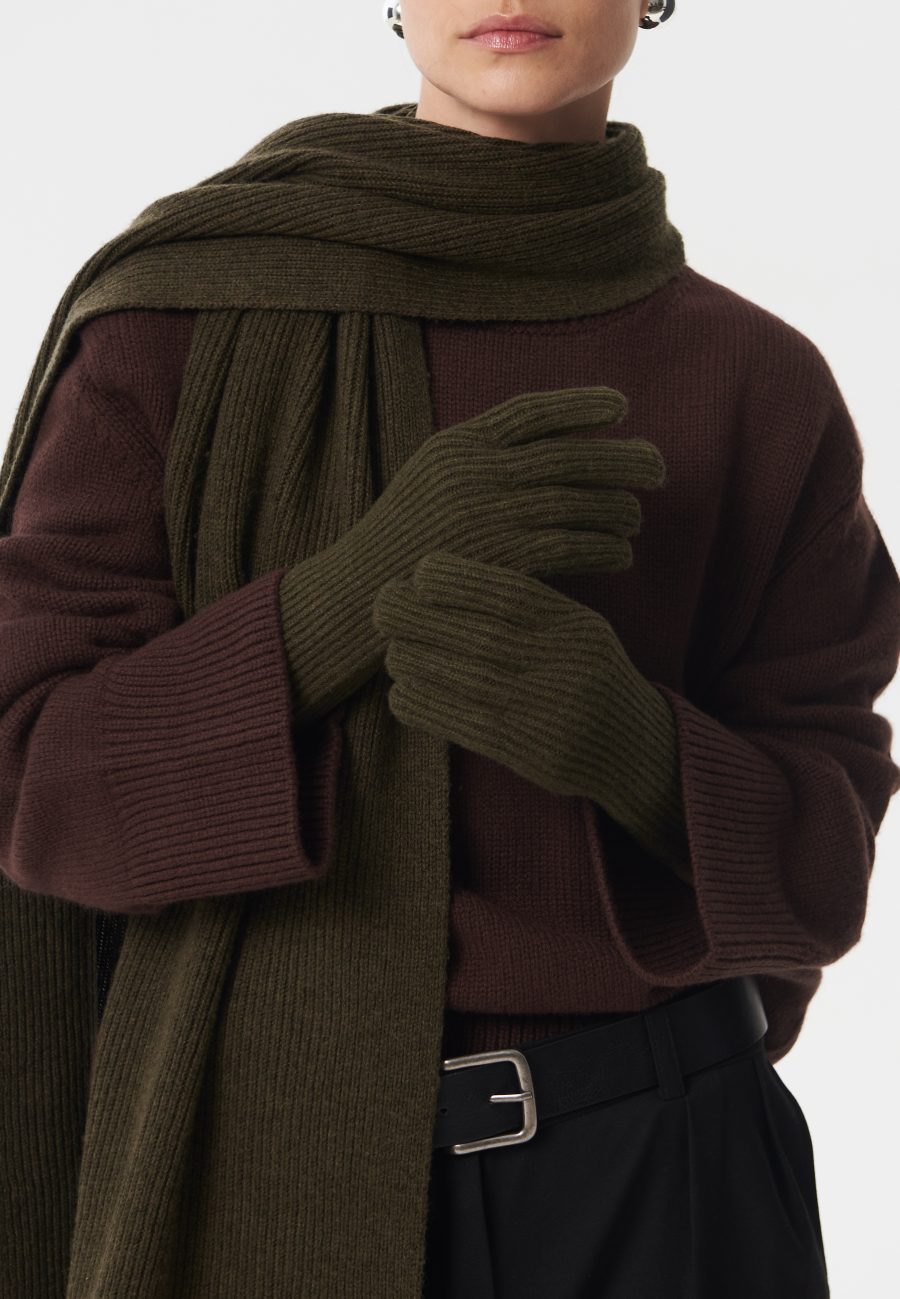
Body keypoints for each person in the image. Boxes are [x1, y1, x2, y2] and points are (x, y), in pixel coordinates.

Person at [1, 2, 898, 1296]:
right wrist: (347, 598)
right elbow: (34, 780)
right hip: (260, 1171)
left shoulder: (759, 378)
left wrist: (638, 750)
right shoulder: (171, 327)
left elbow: (826, 870)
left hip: (670, 1173)